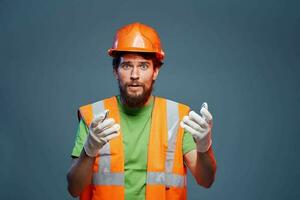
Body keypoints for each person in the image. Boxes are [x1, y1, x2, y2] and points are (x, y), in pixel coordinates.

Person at [67, 22, 217, 200]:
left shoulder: (177, 116)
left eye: (143, 66)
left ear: (156, 71)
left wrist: (205, 147)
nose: (135, 75)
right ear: (115, 70)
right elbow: (74, 189)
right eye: (126, 66)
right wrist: (89, 150)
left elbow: (206, 180)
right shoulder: (94, 116)